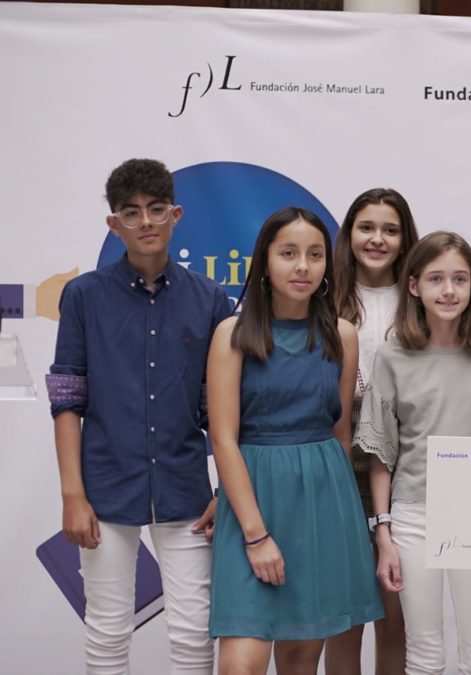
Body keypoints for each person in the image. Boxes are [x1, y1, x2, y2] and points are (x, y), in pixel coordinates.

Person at [46, 158, 230, 675]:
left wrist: (224, 491)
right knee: (106, 632)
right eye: (131, 212)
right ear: (114, 224)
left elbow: (220, 409)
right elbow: (67, 399)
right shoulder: (83, 297)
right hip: (105, 488)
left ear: (176, 214)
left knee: (195, 633)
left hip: (187, 491)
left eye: (155, 210)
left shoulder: (211, 300)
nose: (145, 221)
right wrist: (72, 495)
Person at [207, 207, 383, 675]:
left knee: (302, 659)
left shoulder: (342, 335)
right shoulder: (232, 333)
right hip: (255, 506)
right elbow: (223, 440)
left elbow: (340, 431)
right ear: (265, 260)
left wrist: (344, 519)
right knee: (240, 663)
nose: (302, 266)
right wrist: (254, 531)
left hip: (325, 501)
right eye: (288, 253)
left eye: (314, 255)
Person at [357, 231, 471, 675]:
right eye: (437, 279)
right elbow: (383, 454)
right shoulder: (392, 356)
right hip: (413, 516)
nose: (448, 291)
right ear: (414, 286)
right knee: (423, 653)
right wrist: (383, 532)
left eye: (460, 280)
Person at [326, 188, 419, 675]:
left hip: (400, 462)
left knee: (394, 609)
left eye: (390, 229)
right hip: (337, 456)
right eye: (366, 227)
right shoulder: (323, 294)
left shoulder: (421, 297)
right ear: (349, 234)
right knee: (346, 614)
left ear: (405, 239)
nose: (377, 239)